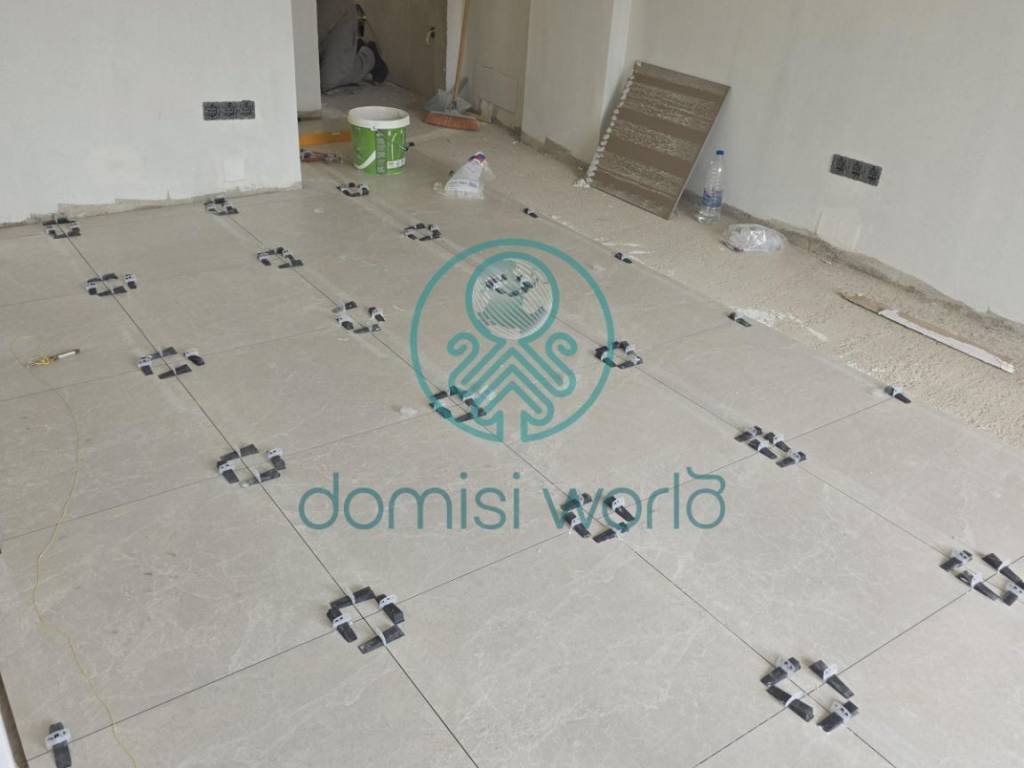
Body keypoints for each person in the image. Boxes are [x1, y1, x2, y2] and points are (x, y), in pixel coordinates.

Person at [318, 0, 388, 91]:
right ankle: (349, 53)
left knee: (326, 80)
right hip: (320, 28)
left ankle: (369, 56)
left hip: (339, 19)